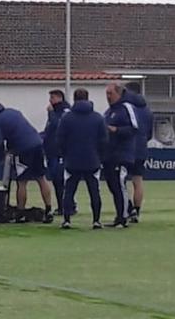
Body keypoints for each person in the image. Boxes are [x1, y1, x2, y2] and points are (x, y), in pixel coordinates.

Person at [0, 102, 54, 222]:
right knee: (41, 178)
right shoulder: (13, 111)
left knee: (21, 182)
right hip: (38, 144)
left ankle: (20, 213)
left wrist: (1, 157)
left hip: (22, 150)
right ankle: (49, 210)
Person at [55, 88, 108, 230]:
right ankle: (96, 220)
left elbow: (60, 139)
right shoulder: (98, 118)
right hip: (92, 160)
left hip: (72, 160)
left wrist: (65, 155)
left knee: (69, 191)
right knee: (94, 191)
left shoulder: (67, 118)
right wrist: (99, 157)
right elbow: (104, 141)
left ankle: (66, 220)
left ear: (74, 99)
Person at [103, 82, 139, 228]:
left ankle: (122, 217)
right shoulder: (108, 112)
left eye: (110, 93)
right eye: (106, 94)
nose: (108, 96)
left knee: (120, 184)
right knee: (113, 186)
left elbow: (134, 128)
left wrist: (116, 130)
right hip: (108, 155)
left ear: (118, 93)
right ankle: (126, 211)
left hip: (122, 154)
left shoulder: (126, 108)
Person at [122, 87, 153, 224]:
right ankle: (137, 210)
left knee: (120, 179)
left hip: (126, 148)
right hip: (141, 149)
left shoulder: (125, 108)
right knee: (138, 180)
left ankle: (127, 206)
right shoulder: (147, 110)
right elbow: (149, 133)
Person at [41, 90, 70, 212]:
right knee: (56, 180)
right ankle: (61, 206)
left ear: (59, 98)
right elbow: (49, 131)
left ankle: (69, 205)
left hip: (60, 152)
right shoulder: (56, 113)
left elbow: (56, 125)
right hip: (51, 151)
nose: (50, 101)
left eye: (52, 98)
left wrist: (51, 113)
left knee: (61, 179)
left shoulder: (64, 112)